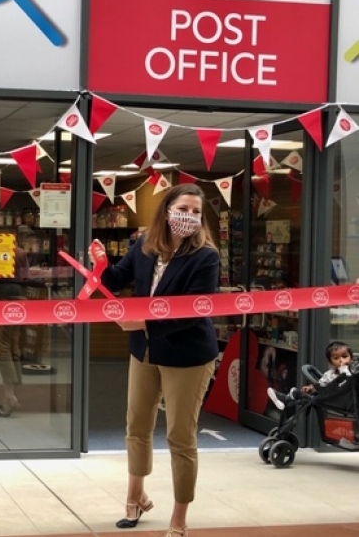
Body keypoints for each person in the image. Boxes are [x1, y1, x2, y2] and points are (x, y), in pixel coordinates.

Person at [90, 184, 219, 537]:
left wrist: (144, 321)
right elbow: (116, 279)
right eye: (183, 208)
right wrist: (101, 263)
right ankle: (135, 496)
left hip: (188, 354)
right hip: (144, 350)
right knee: (137, 426)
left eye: (195, 211)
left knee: (180, 437)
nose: (188, 216)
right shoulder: (146, 246)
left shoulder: (206, 256)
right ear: (166, 210)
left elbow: (196, 310)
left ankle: (179, 517)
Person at [0, 244, 29, 417]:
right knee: (13, 346)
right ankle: (11, 394)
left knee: (1, 347)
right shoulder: (21, 252)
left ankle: (9, 396)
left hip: (1, 296)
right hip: (19, 295)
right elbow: (25, 276)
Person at [268, 341, 356, 411]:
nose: (341, 360)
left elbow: (349, 379)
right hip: (331, 397)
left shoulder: (353, 372)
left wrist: (345, 371)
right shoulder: (329, 374)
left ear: (351, 359)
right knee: (311, 395)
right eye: (336, 358)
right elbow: (321, 385)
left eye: (345, 357)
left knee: (309, 397)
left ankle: (289, 397)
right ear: (331, 362)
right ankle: (287, 398)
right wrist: (312, 388)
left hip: (346, 401)